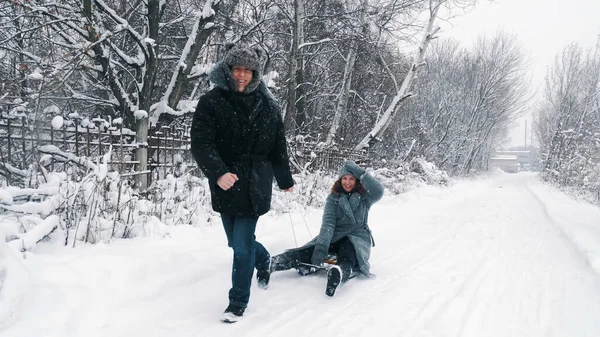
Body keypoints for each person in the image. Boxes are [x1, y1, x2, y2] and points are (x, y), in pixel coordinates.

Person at [190, 42, 294, 323]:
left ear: (255, 74)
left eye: (248, 70)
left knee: (243, 245)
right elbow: (201, 143)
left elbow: (278, 147)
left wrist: (285, 179)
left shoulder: (268, 105)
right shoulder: (211, 101)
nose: (242, 75)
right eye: (237, 68)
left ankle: (237, 303)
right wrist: (218, 172)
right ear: (228, 69)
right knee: (235, 243)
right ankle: (265, 261)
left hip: (257, 182)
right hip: (227, 183)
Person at [270, 160, 383, 297]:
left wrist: (359, 171)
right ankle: (274, 263)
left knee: (347, 256)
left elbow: (379, 191)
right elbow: (328, 224)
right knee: (309, 252)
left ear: (357, 180)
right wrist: (321, 248)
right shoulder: (333, 198)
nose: (347, 182)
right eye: (344, 178)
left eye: (351, 179)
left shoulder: (365, 198)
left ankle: (338, 275)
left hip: (356, 237)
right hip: (334, 235)